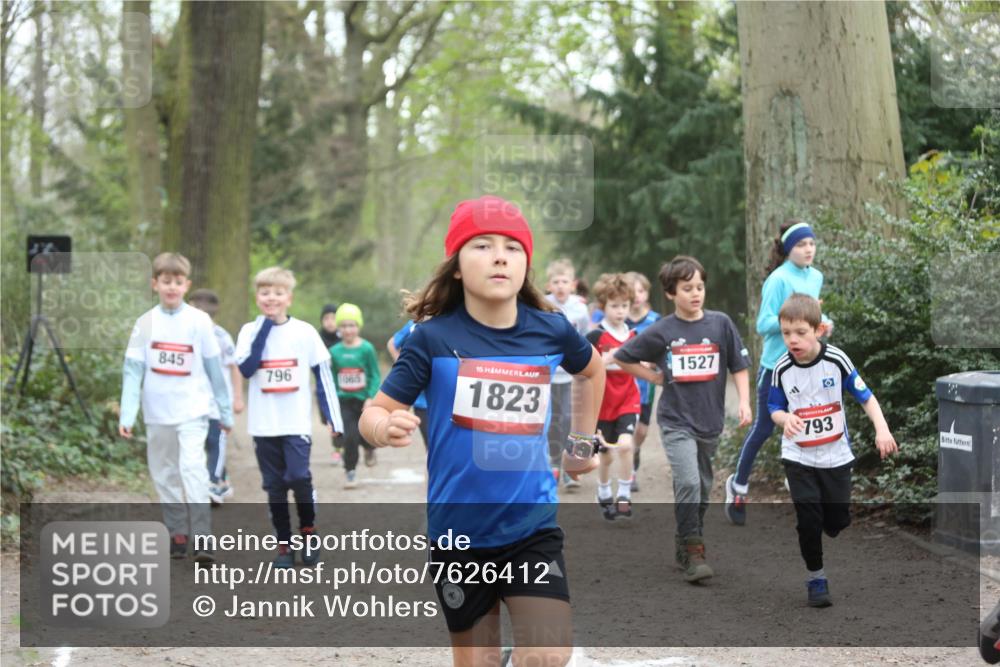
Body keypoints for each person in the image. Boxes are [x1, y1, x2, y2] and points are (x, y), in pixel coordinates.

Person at [358, 195, 606, 667]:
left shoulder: (550, 331)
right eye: (483, 245)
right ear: (455, 266)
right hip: (458, 533)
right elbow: (373, 412)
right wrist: (383, 426)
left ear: (525, 264)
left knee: (549, 655)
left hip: (531, 525)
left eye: (513, 248)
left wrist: (579, 446)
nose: (499, 256)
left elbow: (592, 372)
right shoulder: (431, 339)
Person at [615, 256, 752, 583]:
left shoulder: (720, 324)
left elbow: (739, 365)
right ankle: (694, 551)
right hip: (676, 421)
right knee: (689, 482)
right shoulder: (663, 330)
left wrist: (745, 402)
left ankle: (684, 537)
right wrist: (654, 377)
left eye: (700, 287)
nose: (696, 293)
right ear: (671, 293)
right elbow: (623, 357)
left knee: (702, 488)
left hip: (711, 421)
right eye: (687, 288)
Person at [765, 294, 897, 606]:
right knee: (808, 519)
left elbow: (866, 396)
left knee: (836, 521)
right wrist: (786, 419)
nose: (792, 340)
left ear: (819, 330)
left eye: (800, 332)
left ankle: (829, 518)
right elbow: (774, 406)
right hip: (797, 454)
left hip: (836, 454)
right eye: (786, 333)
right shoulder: (781, 368)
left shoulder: (837, 360)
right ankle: (816, 579)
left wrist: (882, 429)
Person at [118, 253, 233, 563]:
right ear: (155, 284)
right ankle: (177, 532)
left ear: (187, 285)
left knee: (193, 469)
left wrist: (224, 410)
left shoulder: (199, 321)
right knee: (164, 472)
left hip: (192, 410)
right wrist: (128, 414)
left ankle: (202, 537)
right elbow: (133, 370)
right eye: (166, 281)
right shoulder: (145, 323)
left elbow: (214, 370)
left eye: (178, 282)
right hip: (157, 411)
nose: (172, 287)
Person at [726, 220, 833, 526]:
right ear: (788, 249)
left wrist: (823, 322)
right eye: (801, 244)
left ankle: (804, 488)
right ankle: (738, 485)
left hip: (807, 365)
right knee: (764, 428)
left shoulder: (817, 277)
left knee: (811, 422)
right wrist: (796, 318)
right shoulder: (778, 279)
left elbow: (813, 316)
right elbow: (763, 324)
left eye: (811, 243)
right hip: (776, 366)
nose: (808, 249)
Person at [235, 267, 344, 568]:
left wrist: (334, 419)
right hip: (263, 424)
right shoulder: (249, 331)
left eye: (278, 293)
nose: (271, 298)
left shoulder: (305, 332)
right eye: (265, 292)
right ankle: (284, 545)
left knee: (297, 476)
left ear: (289, 298)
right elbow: (246, 369)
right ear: (257, 296)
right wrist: (265, 330)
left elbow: (323, 376)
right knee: (274, 486)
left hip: (295, 422)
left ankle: (309, 531)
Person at [586, 273, 641, 520]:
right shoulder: (595, 337)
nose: (620, 311)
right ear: (603, 307)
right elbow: (580, 366)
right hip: (600, 404)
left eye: (624, 306)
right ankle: (603, 489)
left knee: (627, 445)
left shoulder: (634, 336)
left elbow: (645, 362)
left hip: (627, 400)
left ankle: (625, 495)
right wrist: (604, 360)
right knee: (605, 456)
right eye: (614, 306)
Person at [188, 288, 245, 505]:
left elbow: (234, 368)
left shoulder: (222, 337)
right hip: (195, 400)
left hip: (219, 402)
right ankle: (222, 478)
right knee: (202, 443)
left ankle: (212, 483)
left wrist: (238, 397)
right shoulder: (187, 335)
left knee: (216, 441)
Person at [545, 258, 592, 490]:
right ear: (549, 285)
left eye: (564, 281)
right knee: (553, 420)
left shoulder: (580, 309)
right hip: (550, 375)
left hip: (572, 374)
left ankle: (570, 468)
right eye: (556, 281)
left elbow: (585, 338)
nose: (561, 286)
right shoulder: (543, 305)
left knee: (569, 420)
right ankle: (554, 464)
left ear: (572, 284)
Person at [329, 303, 381, 488]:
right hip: (344, 400)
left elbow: (375, 375)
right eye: (343, 325)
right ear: (338, 328)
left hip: (363, 401)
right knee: (349, 437)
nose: (348, 330)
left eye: (352, 325)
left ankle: (369, 448)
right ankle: (350, 471)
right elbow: (332, 378)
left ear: (358, 326)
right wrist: (333, 399)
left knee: (365, 433)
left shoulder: (367, 349)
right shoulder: (334, 352)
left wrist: (370, 397)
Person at [624, 271, 661, 493]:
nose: (637, 296)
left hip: (645, 385)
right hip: (622, 385)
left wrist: (654, 364)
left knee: (641, 431)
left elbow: (665, 350)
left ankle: (635, 452)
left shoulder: (656, 321)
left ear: (647, 293)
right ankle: (629, 473)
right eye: (632, 291)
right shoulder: (617, 317)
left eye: (641, 290)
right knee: (622, 431)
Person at [387, 320, 431, 448]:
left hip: (446, 398)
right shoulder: (413, 325)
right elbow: (392, 344)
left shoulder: (451, 322)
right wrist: (404, 366)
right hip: (422, 401)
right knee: (430, 442)